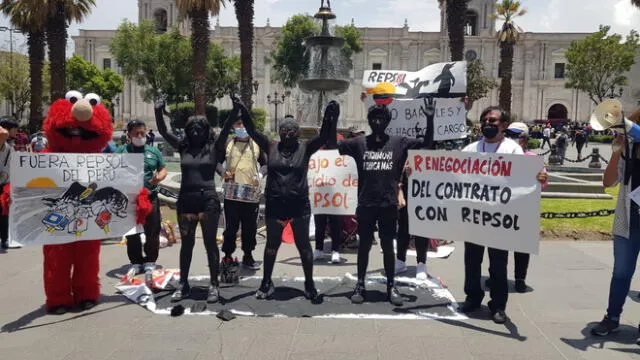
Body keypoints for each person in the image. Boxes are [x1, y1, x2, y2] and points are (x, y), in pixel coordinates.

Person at [236, 100, 335, 303]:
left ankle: (309, 284)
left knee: (304, 246)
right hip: (275, 205)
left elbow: (324, 136)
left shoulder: (306, 148)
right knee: (271, 245)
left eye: (291, 131)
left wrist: (329, 116)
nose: (287, 133)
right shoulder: (271, 146)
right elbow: (253, 131)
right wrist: (243, 110)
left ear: (297, 133)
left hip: (298, 206)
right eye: (283, 130)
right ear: (279, 131)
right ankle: (266, 282)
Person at [459, 107, 547, 324]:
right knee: (472, 260)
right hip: (474, 215)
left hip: (500, 217)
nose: (488, 123)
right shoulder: (470, 149)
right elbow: (452, 176)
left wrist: (538, 177)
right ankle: (472, 297)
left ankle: (498, 305)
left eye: (493, 120)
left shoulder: (512, 149)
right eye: (485, 120)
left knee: (498, 264)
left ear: (504, 125)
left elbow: (524, 178)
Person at [334, 104, 424, 306]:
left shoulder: (398, 142)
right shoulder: (359, 143)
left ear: (387, 121)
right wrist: (332, 120)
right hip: (366, 204)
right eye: (373, 118)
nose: (377, 122)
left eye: (381, 118)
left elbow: (425, 144)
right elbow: (332, 144)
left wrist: (430, 120)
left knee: (387, 246)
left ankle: (391, 285)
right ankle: (360, 284)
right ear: (369, 121)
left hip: (388, 205)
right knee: (364, 246)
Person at [155, 98, 229, 304]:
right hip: (186, 201)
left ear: (206, 130)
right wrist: (158, 111)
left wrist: (237, 110)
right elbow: (163, 131)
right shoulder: (183, 147)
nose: (196, 131)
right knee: (186, 244)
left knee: (209, 244)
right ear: (188, 131)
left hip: (208, 202)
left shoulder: (214, 148)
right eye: (192, 128)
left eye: (200, 128)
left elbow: (226, 129)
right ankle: (183, 284)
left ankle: (214, 284)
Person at [590, 129, 640, 336]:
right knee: (621, 273)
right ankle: (612, 317)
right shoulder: (629, 148)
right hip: (627, 221)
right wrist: (616, 152)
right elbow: (608, 182)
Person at [116, 119, 167, 287]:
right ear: (129, 135)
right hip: (129, 198)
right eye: (136, 133)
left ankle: (150, 261)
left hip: (149, 197)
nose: (140, 136)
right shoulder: (121, 151)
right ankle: (136, 261)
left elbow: (162, 168)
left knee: (152, 230)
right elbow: (111, 169)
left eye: (142, 133)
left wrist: (159, 177)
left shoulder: (153, 152)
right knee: (132, 232)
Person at [502, 122, 548, 293]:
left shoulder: (532, 159)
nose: (512, 140)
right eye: (509, 136)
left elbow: (542, 184)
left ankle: (520, 278)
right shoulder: (501, 156)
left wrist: (542, 179)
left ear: (524, 140)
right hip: (504, 207)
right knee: (499, 245)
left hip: (524, 208)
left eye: (516, 137)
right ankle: (497, 276)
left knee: (522, 246)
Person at [217, 114, 267, 270]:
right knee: (230, 227)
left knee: (250, 227)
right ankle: (227, 255)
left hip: (251, 193)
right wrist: (223, 172)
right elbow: (216, 162)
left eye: (244, 124)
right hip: (232, 193)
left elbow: (266, 164)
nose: (242, 127)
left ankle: (248, 255)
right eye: (238, 124)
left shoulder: (257, 144)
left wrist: (259, 175)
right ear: (233, 127)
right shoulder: (228, 143)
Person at [313, 127, 344, 264]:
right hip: (319, 190)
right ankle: (319, 249)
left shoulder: (340, 142)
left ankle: (335, 250)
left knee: (335, 223)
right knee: (319, 221)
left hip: (335, 190)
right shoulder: (316, 146)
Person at [395, 161, 428, 280]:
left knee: (421, 228)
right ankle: (400, 260)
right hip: (405, 190)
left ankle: (421, 263)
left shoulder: (425, 148)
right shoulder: (402, 148)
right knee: (403, 227)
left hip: (423, 191)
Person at [0, 117, 15, 249]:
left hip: (3, 183)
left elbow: (9, 167)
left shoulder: (9, 148)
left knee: (4, 212)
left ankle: (4, 238)